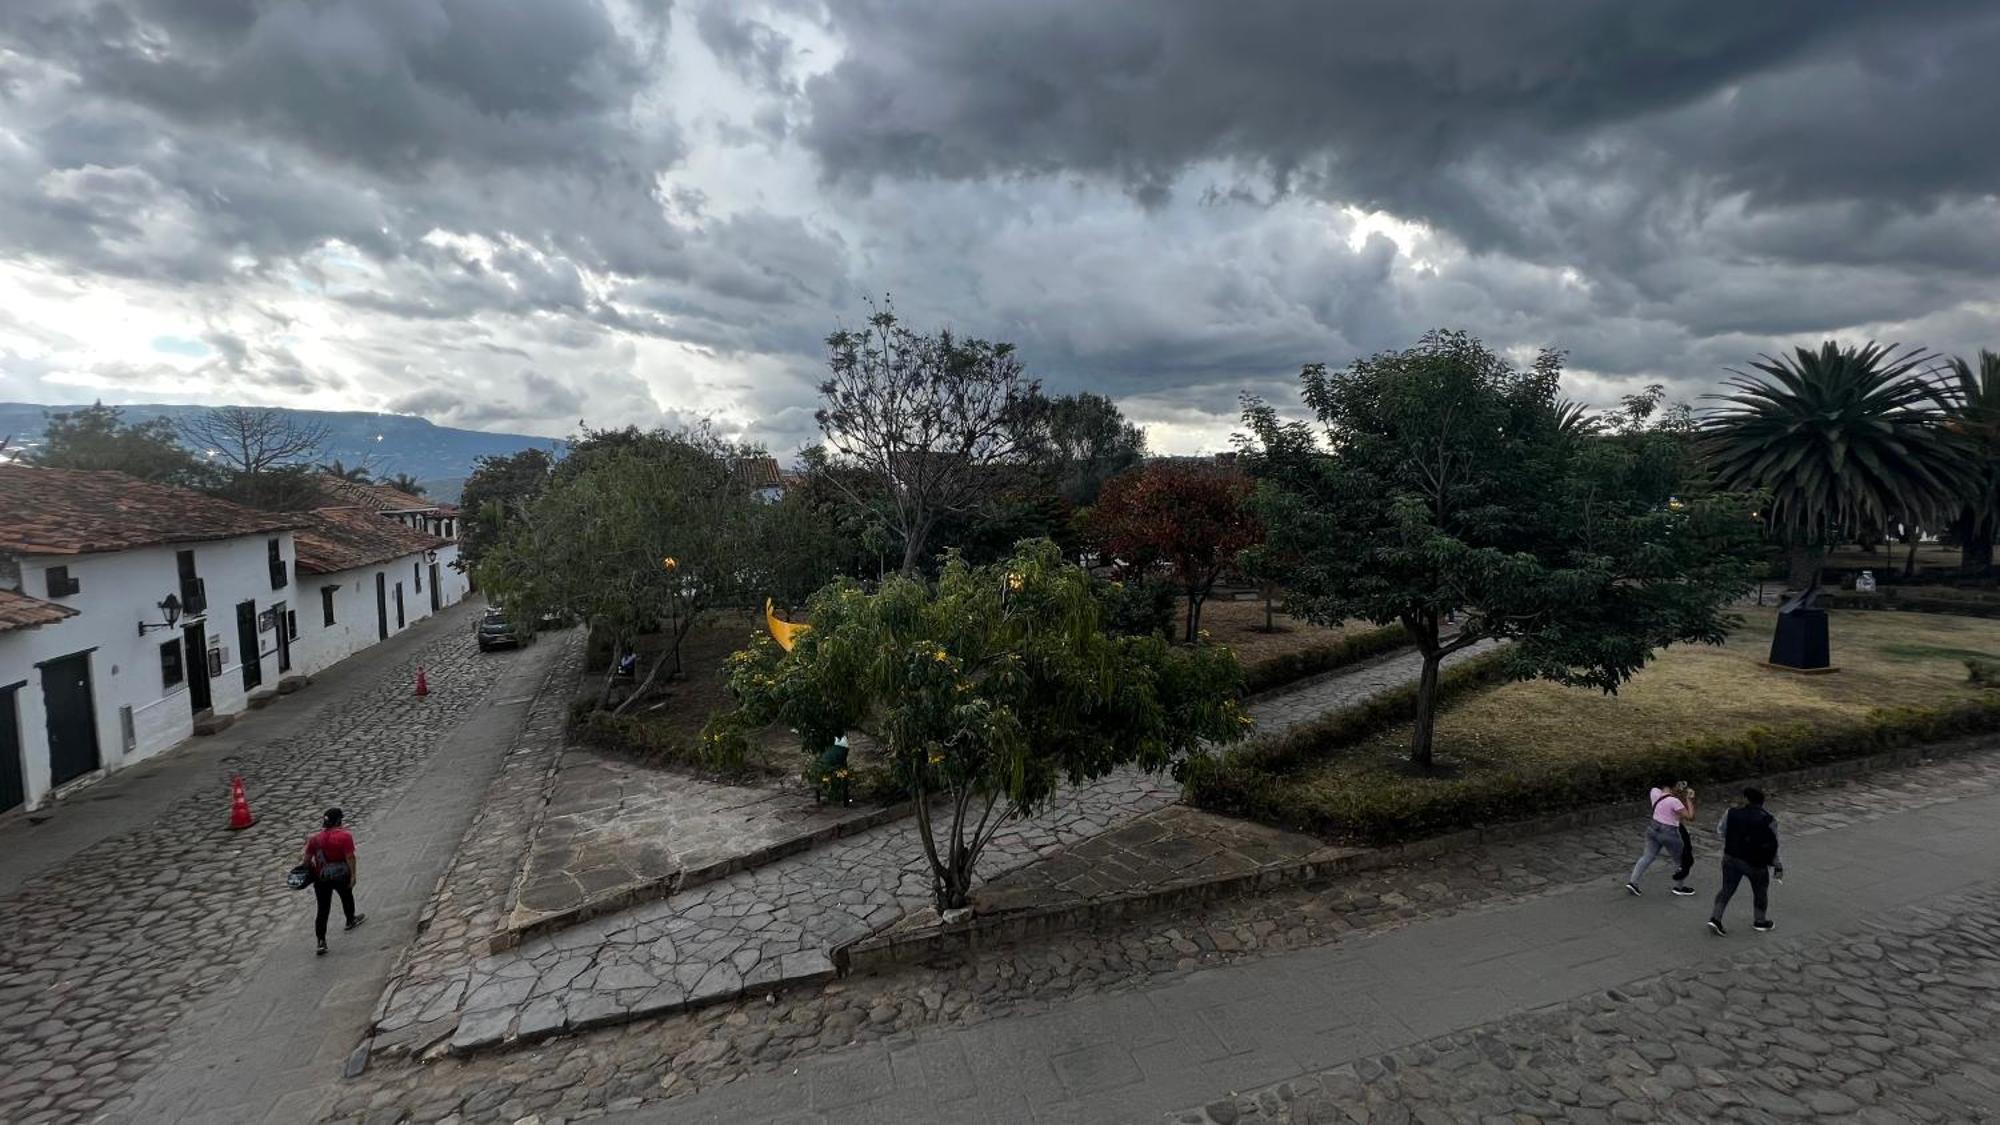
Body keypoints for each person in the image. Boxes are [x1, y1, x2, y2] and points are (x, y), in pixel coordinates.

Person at [1708, 787, 1782, 936]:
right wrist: (1777, 865)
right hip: (1756, 863)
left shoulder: (1731, 813)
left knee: (1727, 889)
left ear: (1746, 799)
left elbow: (1721, 831)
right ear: (1762, 802)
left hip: (1731, 858)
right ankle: (1760, 921)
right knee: (1760, 891)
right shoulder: (1769, 819)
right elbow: (1773, 844)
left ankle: (1715, 918)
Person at [304, 807, 365, 955]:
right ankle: (350, 920)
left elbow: (306, 860)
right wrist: (353, 875)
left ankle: (321, 941)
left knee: (323, 909)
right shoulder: (345, 836)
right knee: (346, 896)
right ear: (339, 820)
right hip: (340, 875)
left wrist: (315, 872)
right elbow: (350, 857)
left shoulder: (314, 839)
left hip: (321, 877)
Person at [1626, 781, 1696, 896]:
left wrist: (1676, 791)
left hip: (1653, 829)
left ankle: (1633, 882)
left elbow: (1665, 795)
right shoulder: (1674, 801)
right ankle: (1679, 887)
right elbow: (1690, 817)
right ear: (1673, 786)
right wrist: (1689, 799)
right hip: (1669, 833)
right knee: (1680, 861)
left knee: (1647, 856)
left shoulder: (1654, 793)